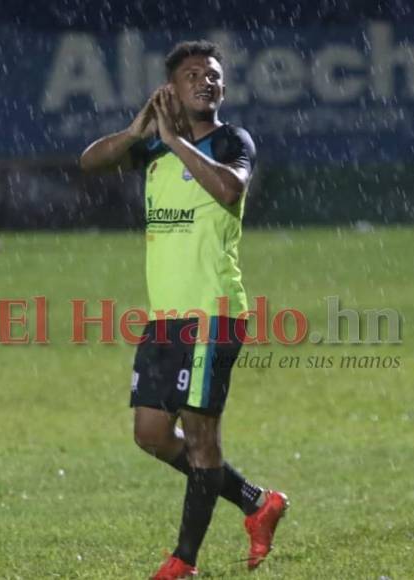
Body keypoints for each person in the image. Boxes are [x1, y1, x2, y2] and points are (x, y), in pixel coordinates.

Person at [80, 40, 288, 579]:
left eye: (213, 74)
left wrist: (173, 140)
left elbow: (230, 189)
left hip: (213, 313)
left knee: (200, 440)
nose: (205, 81)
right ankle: (256, 502)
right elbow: (90, 162)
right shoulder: (150, 150)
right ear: (170, 89)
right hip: (165, 317)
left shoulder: (232, 142)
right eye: (192, 74)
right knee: (150, 434)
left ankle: (183, 562)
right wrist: (138, 132)